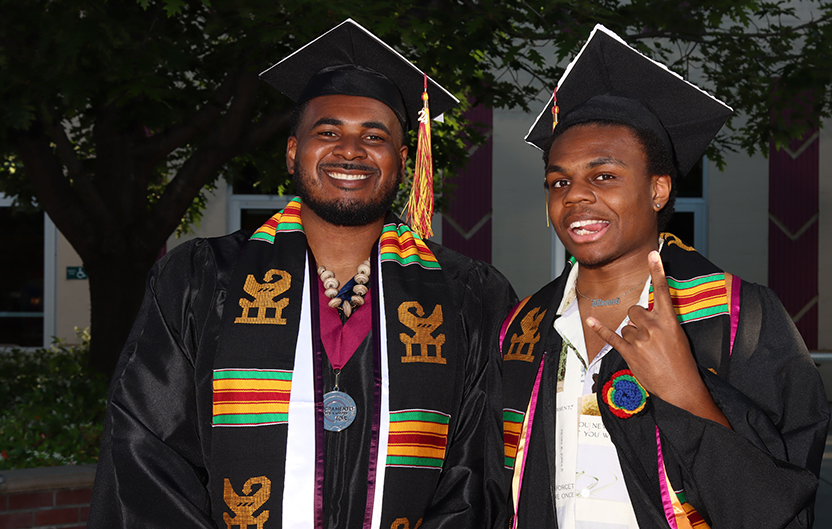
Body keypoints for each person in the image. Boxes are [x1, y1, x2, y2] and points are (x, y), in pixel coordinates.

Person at [88, 19, 516, 529]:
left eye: (373, 136)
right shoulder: (201, 280)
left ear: (403, 162)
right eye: (328, 131)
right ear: (294, 152)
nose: (350, 150)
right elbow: (145, 448)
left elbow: (480, 466)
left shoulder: (468, 295)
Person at [500, 25, 829, 529]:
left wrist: (684, 391)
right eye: (558, 181)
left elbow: (780, 507)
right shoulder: (522, 326)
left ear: (658, 191)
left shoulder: (740, 319)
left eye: (604, 175)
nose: (575, 196)